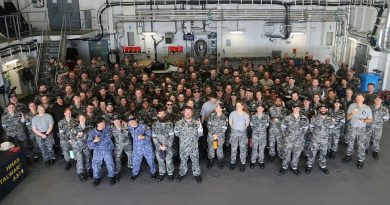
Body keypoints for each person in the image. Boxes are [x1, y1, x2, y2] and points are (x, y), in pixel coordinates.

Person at [342, 93, 373, 169]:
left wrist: (364, 120)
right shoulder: (352, 106)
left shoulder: (367, 108)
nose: (359, 100)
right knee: (350, 143)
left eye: (360, 98)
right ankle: (349, 155)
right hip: (352, 127)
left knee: (361, 145)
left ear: (363, 99)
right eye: (357, 98)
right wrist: (352, 113)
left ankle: (361, 160)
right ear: (356, 99)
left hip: (361, 129)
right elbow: (348, 117)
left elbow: (370, 120)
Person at [278, 103, 309, 176]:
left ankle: (294, 167)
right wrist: (287, 136)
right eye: (295, 108)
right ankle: (284, 167)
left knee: (296, 154)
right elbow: (282, 128)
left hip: (299, 140)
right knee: (286, 154)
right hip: (289, 140)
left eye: (298, 108)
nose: (296, 109)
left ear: (300, 109)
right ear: (292, 108)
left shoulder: (304, 118)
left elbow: (306, 129)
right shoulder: (287, 118)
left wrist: (299, 136)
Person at [174, 106, 203, 183]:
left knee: (195, 160)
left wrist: (192, 139)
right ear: (183, 113)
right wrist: (185, 139)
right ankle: (182, 173)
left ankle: (197, 174)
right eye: (186, 112)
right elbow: (176, 133)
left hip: (194, 146)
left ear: (192, 113)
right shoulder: (178, 123)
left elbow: (200, 133)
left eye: (189, 112)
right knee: (183, 160)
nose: (187, 113)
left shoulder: (197, 122)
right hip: (183, 146)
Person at [306, 104, 334, 175]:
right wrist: (315, 135)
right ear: (319, 110)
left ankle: (323, 166)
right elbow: (311, 128)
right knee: (312, 152)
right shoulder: (314, 117)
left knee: (323, 153)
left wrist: (325, 134)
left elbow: (331, 129)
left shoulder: (330, 119)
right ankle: (309, 165)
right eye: (321, 109)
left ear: (327, 110)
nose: (323, 110)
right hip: (315, 139)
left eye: (324, 109)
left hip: (324, 139)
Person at [87, 117, 116, 186]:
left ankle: (112, 176)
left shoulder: (108, 128)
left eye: (104, 123)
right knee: (96, 164)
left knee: (110, 163)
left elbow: (108, 138)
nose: (103, 125)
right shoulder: (92, 133)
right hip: (97, 151)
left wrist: (100, 139)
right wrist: (94, 141)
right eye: (101, 124)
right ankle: (97, 177)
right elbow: (89, 145)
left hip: (107, 149)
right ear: (97, 124)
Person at [128, 115, 157, 181]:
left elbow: (150, 136)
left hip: (147, 148)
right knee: (135, 161)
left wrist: (144, 137)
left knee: (151, 161)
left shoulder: (144, 126)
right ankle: (135, 173)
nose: (131, 123)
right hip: (137, 148)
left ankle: (153, 172)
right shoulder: (130, 127)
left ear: (136, 120)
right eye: (129, 122)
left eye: (132, 121)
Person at [152, 108, 175, 182]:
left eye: (163, 114)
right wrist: (159, 146)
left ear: (165, 114)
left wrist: (166, 145)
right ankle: (161, 173)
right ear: (157, 115)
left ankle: (170, 173)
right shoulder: (154, 124)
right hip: (159, 147)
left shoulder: (170, 123)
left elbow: (171, 136)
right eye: (160, 114)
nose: (162, 115)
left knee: (169, 161)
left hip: (168, 146)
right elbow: (154, 137)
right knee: (160, 160)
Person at [365, 95, 389, 160]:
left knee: (376, 139)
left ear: (381, 101)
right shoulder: (370, 107)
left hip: (378, 128)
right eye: (376, 99)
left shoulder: (384, 109)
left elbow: (386, 118)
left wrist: (379, 123)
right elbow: (366, 116)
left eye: (379, 100)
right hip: (369, 126)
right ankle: (366, 149)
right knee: (367, 138)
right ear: (374, 100)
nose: (378, 101)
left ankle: (375, 151)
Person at [228, 100, 250, 172]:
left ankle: (243, 164)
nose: (237, 107)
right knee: (233, 148)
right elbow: (230, 123)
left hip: (242, 133)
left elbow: (247, 125)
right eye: (237, 106)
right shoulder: (232, 113)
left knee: (242, 149)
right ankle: (232, 162)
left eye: (239, 106)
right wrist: (234, 127)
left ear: (243, 106)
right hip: (234, 132)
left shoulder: (246, 115)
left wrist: (241, 128)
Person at [70, 113, 92, 182]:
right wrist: (76, 136)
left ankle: (88, 170)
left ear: (86, 119)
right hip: (77, 146)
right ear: (78, 119)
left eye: (83, 118)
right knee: (79, 159)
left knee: (87, 158)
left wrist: (84, 134)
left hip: (86, 146)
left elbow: (92, 136)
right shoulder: (75, 128)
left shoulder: (89, 127)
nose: (82, 120)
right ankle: (80, 173)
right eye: (81, 118)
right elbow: (71, 137)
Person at [206, 102, 228, 169]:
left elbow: (224, 128)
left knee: (219, 148)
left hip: (220, 137)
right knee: (211, 148)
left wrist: (217, 134)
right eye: (216, 106)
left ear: (221, 109)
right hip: (211, 136)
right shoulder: (211, 115)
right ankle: (210, 160)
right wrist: (213, 134)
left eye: (217, 106)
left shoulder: (225, 117)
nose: (216, 107)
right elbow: (208, 124)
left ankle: (220, 161)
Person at [112, 115, 132, 182]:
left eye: (118, 120)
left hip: (127, 144)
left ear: (120, 120)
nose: (117, 122)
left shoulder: (126, 126)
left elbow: (130, 133)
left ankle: (132, 167)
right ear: (113, 122)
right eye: (115, 121)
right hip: (118, 145)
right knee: (117, 157)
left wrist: (126, 127)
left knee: (131, 155)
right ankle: (117, 171)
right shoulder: (112, 128)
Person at [249, 103, 269, 169]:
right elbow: (251, 125)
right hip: (255, 135)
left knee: (261, 149)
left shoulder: (266, 116)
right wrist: (256, 131)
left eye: (261, 108)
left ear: (263, 109)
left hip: (263, 135)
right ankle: (253, 161)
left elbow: (267, 125)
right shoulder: (253, 116)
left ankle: (261, 161)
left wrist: (261, 130)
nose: (260, 109)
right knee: (254, 148)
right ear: (256, 109)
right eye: (258, 108)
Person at [268, 96, 287, 162]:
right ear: (274, 102)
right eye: (276, 101)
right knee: (271, 143)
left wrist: (276, 119)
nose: (278, 102)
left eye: (279, 101)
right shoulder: (270, 109)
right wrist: (271, 119)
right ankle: (271, 155)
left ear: (281, 101)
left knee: (281, 144)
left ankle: (281, 156)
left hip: (281, 130)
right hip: (272, 129)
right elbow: (267, 118)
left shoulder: (285, 109)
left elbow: (286, 119)